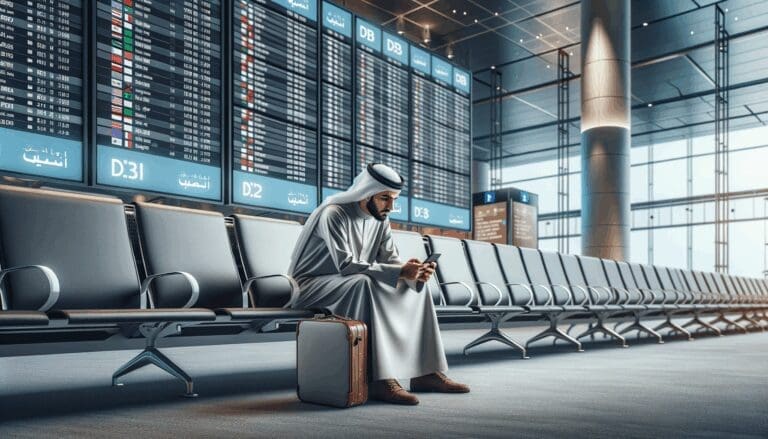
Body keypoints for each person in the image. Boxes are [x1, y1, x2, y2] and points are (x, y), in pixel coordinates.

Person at [287, 163, 470, 405]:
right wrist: (399, 271)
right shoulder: (333, 214)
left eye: (393, 199)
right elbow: (346, 265)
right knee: (362, 283)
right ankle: (378, 379)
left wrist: (412, 274)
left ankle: (426, 373)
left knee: (413, 288)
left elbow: (390, 260)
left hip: (346, 282)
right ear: (366, 193)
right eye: (385, 198)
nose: (390, 206)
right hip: (310, 286)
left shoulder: (381, 219)